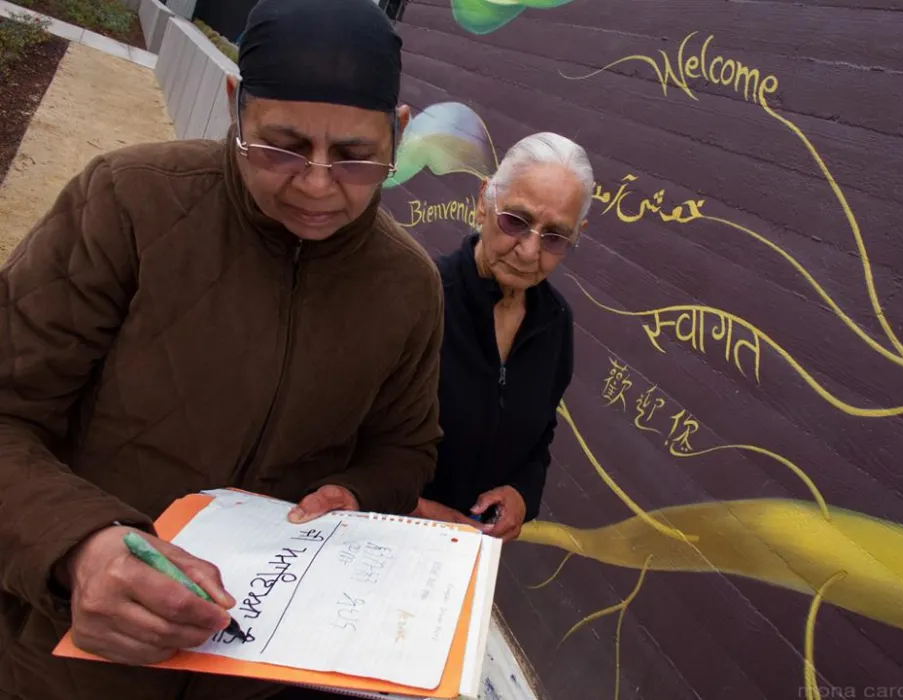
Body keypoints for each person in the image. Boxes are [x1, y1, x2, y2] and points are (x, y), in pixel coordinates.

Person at [0, 1, 444, 699]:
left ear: (400, 131)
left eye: (357, 157)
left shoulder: (410, 286)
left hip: (253, 676)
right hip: (62, 664)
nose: (317, 185)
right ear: (236, 106)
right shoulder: (127, 204)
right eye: (283, 146)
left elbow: (405, 449)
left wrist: (357, 490)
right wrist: (79, 546)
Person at [413, 133, 592, 542]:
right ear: (483, 200)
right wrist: (415, 508)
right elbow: (350, 434)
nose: (529, 251)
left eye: (554, 237)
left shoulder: (555, 322)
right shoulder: (420, 297)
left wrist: (522, 494)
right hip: (377, 536)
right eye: (516, 221)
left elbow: (540, 432)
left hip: (470, 556)